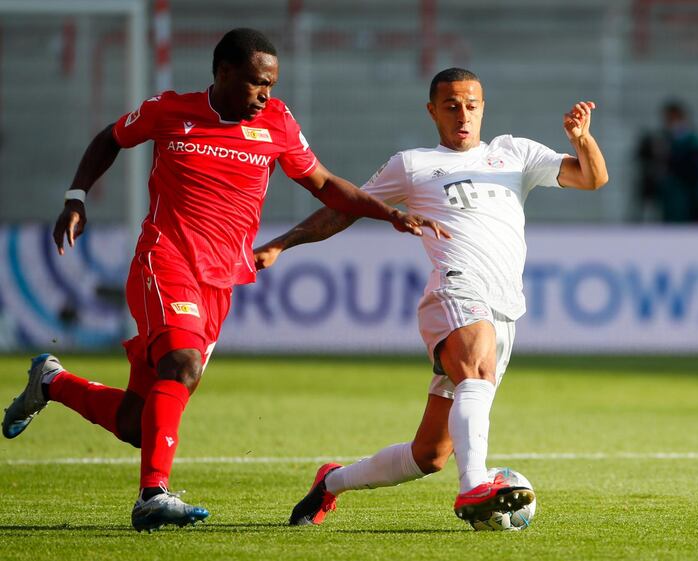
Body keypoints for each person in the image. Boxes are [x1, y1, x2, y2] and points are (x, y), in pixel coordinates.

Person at [2, 28, 445, 532]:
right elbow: (110, 137)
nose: (266, 95)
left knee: (136, 424)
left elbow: (322, 183)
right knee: (183, 362)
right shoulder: (169, 111)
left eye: (272, 85)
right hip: (165, 261)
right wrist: (76, 194)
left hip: (220, 280)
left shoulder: (277, 122)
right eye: (257, 83)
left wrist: (388, 213)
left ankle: (52, 382)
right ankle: (153, 496)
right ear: (223, 73)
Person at [253, 67, 609, 526]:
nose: (463, 115)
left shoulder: (514, 153)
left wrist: (582, 138)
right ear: (432, 111)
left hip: (505, 305)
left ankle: (332, 481)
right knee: (476, 369)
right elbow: (344, 209)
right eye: (451, 106)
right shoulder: (413, 164)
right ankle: (474, 485)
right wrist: (283, 242)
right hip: (455, 287)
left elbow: (592, 178)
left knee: (430, 454)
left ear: (484, 107)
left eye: (472, 105)